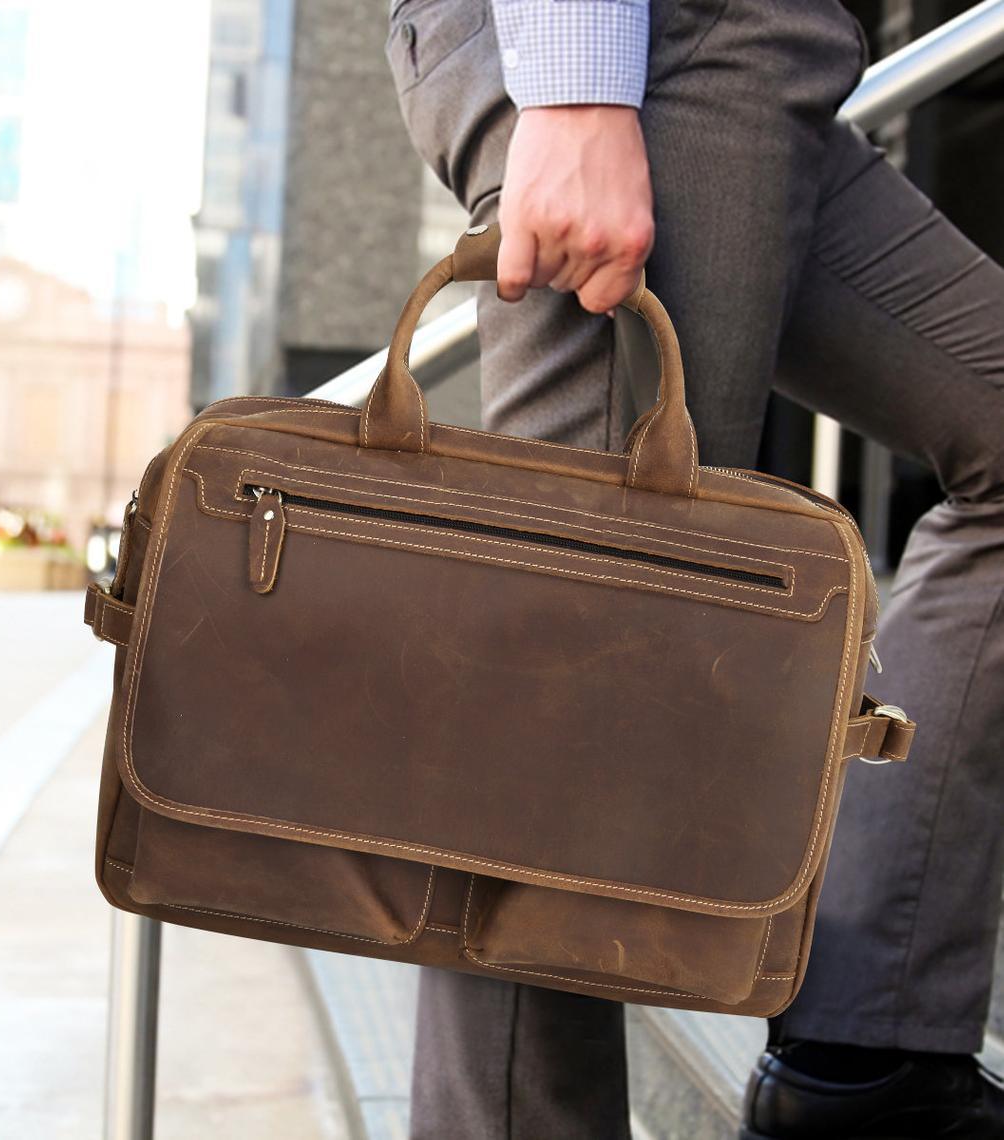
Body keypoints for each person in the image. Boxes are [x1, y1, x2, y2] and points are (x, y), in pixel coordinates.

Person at [383, 1, 1004, 1137]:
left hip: (759, 60)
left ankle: (869, 1054)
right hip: (659, 47)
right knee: (577, 677)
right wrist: (577, 87)